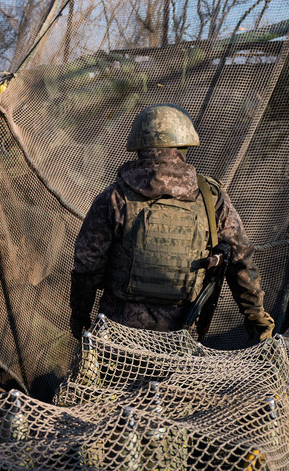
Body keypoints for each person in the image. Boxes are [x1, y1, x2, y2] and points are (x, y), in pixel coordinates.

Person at [69, 103, 275, 340]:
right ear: (184, 145)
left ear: (139, 146)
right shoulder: (210, 197)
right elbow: (241, 258)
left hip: (118, 334)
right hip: (180, 336)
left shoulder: (114, 197)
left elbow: (87, 266)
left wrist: (80, 315)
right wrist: (256, 315)